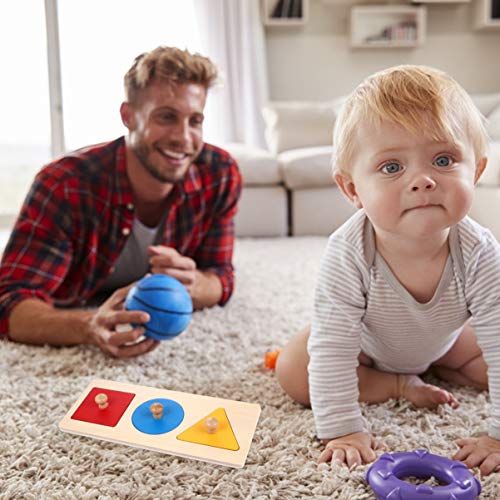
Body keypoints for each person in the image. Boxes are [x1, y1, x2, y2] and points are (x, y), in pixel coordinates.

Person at [275, 65, 500, 476]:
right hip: (367, 345)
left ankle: (442, 365)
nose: (423, 181)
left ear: (477, 171)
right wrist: (342, 430)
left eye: (444, 159)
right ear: (352, 190)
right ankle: (397, 385)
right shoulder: (348, 252)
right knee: (293, 370)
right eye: (392, 167)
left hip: (445, 339)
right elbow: (333, 348)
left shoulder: (480, 252)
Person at [0, 46, 242, 358]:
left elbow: (221, 274)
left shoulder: (219, 174)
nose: (184, 138)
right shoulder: (64, 184)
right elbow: (9, 302)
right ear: (128, 117)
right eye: (166, 117)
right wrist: (88, 324)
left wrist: (195, 283)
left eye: (195, 120)